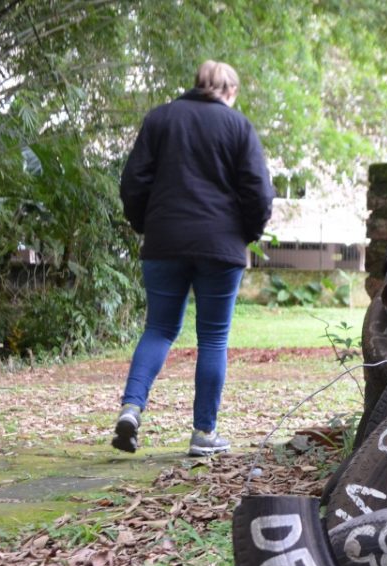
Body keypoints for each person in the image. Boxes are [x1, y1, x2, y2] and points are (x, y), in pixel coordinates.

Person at [114, 60, 274, 456]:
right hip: (221, 247)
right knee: (213, 339)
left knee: (159, 329)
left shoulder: (160, 119)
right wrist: (247, 234)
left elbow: (133, 182)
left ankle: (131, 409)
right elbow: (259, 191)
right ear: (230, 91)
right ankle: (204, 434)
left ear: (197, 85)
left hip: (164, 242)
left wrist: (146, 224)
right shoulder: (238, 127)